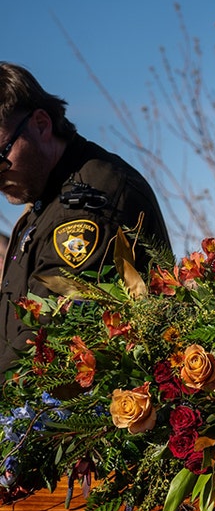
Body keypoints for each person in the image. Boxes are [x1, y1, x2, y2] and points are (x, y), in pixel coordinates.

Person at [0, 62, 171, 374]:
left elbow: (45, 340)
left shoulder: (85, 208)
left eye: (0, 158)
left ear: (40, 124)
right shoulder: (46, 199)